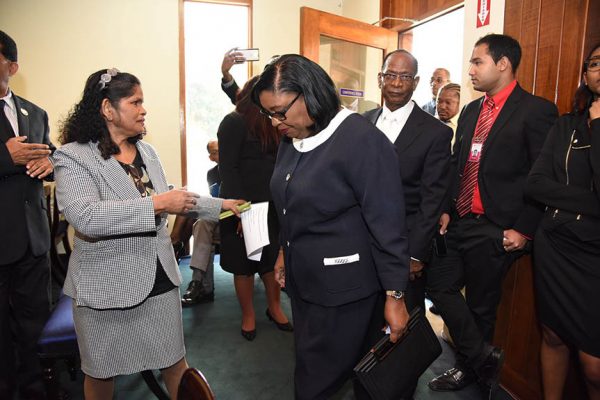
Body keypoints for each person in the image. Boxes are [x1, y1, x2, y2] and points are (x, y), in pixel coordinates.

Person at [53, 68, 244, 399]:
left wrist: (220, 204)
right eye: (135, 101)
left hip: (159, 278)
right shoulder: (73, 156)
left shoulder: (148, 153)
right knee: (101, 374)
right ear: (107, 109)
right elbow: (86, 217)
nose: (144, 109)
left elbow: (171, 197)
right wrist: (158, 204)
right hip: (105, 288)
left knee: (174, 363)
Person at [252, 54, 410, 400]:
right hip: (305, 284)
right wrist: (282, 251)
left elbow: (388, 226)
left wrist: (396, 296)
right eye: (269, 114)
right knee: (319, 371)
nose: (276, 122)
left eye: (280, 111)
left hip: (345, 292)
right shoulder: (292, 138)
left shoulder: (361, 140)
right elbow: (288, 206)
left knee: (317, 383)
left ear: (309, 93)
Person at [426, 34, 558, 395]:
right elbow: (459, 165)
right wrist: (448, 209)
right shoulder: (471, 110)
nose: (470, 70)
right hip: (461, 220)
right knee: (437, 285)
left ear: (503, 64)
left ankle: (468, 370)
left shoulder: (536, 111)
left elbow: (542, 175)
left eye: (477, 62)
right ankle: (483, 356)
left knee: (483, 305)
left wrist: (522, 230)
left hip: (499, 227)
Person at [525, 43, 600, 400]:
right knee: (552, 335)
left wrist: (599, 125)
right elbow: (536, 184)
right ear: (586, 74)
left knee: (593, 364)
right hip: (554, 245)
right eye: (597, 63)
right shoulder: (565, 124)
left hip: (595, 254)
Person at [0, 30, 54, 399]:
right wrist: (6, 158)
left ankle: (38, 388)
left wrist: (50, 162)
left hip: (34, 239)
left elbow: (50, 158)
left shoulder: (35, 113)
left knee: (36, 324)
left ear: (12, 65)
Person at [218, 75, 291, 341]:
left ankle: (274, 308)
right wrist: (240, 210)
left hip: (271, 207)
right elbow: (228, 169)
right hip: (242, 207)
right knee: (244, 266)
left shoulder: (275, 123)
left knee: (271, 262)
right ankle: (248, 315)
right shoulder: (233, 122)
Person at [181, 140, 221, 305]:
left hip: (235, 215)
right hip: (218, 214)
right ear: (211, 157)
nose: (221, 153)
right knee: (199, 221)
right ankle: (202, 286)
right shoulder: (211, 174)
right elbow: (214, 198)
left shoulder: (237, 168)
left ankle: (200, 285)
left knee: (201, 223)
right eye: (216, 152)